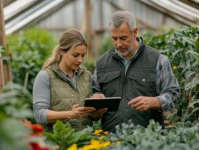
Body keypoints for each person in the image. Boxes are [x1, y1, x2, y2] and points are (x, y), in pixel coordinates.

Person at [91, 11, 181, 132]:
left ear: (134, 32)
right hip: (110, 138)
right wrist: (95, 100)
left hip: (147, 138)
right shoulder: (102, 63)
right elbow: (96, 92)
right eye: (114, 38)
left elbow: (174, 94)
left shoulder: (158, 60)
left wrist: (154, 101)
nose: (118, 44)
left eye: (123, 38)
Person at [33, 29, 96, 132]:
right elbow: (39, 114)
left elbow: (90, 116)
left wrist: (95, 114)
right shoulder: (45, 76)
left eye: (83, 55)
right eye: (75, 55)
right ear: (62, 51)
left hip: (85, 141)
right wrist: (70, 114)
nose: (80, 60)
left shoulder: (86, 75)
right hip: (58, 143)